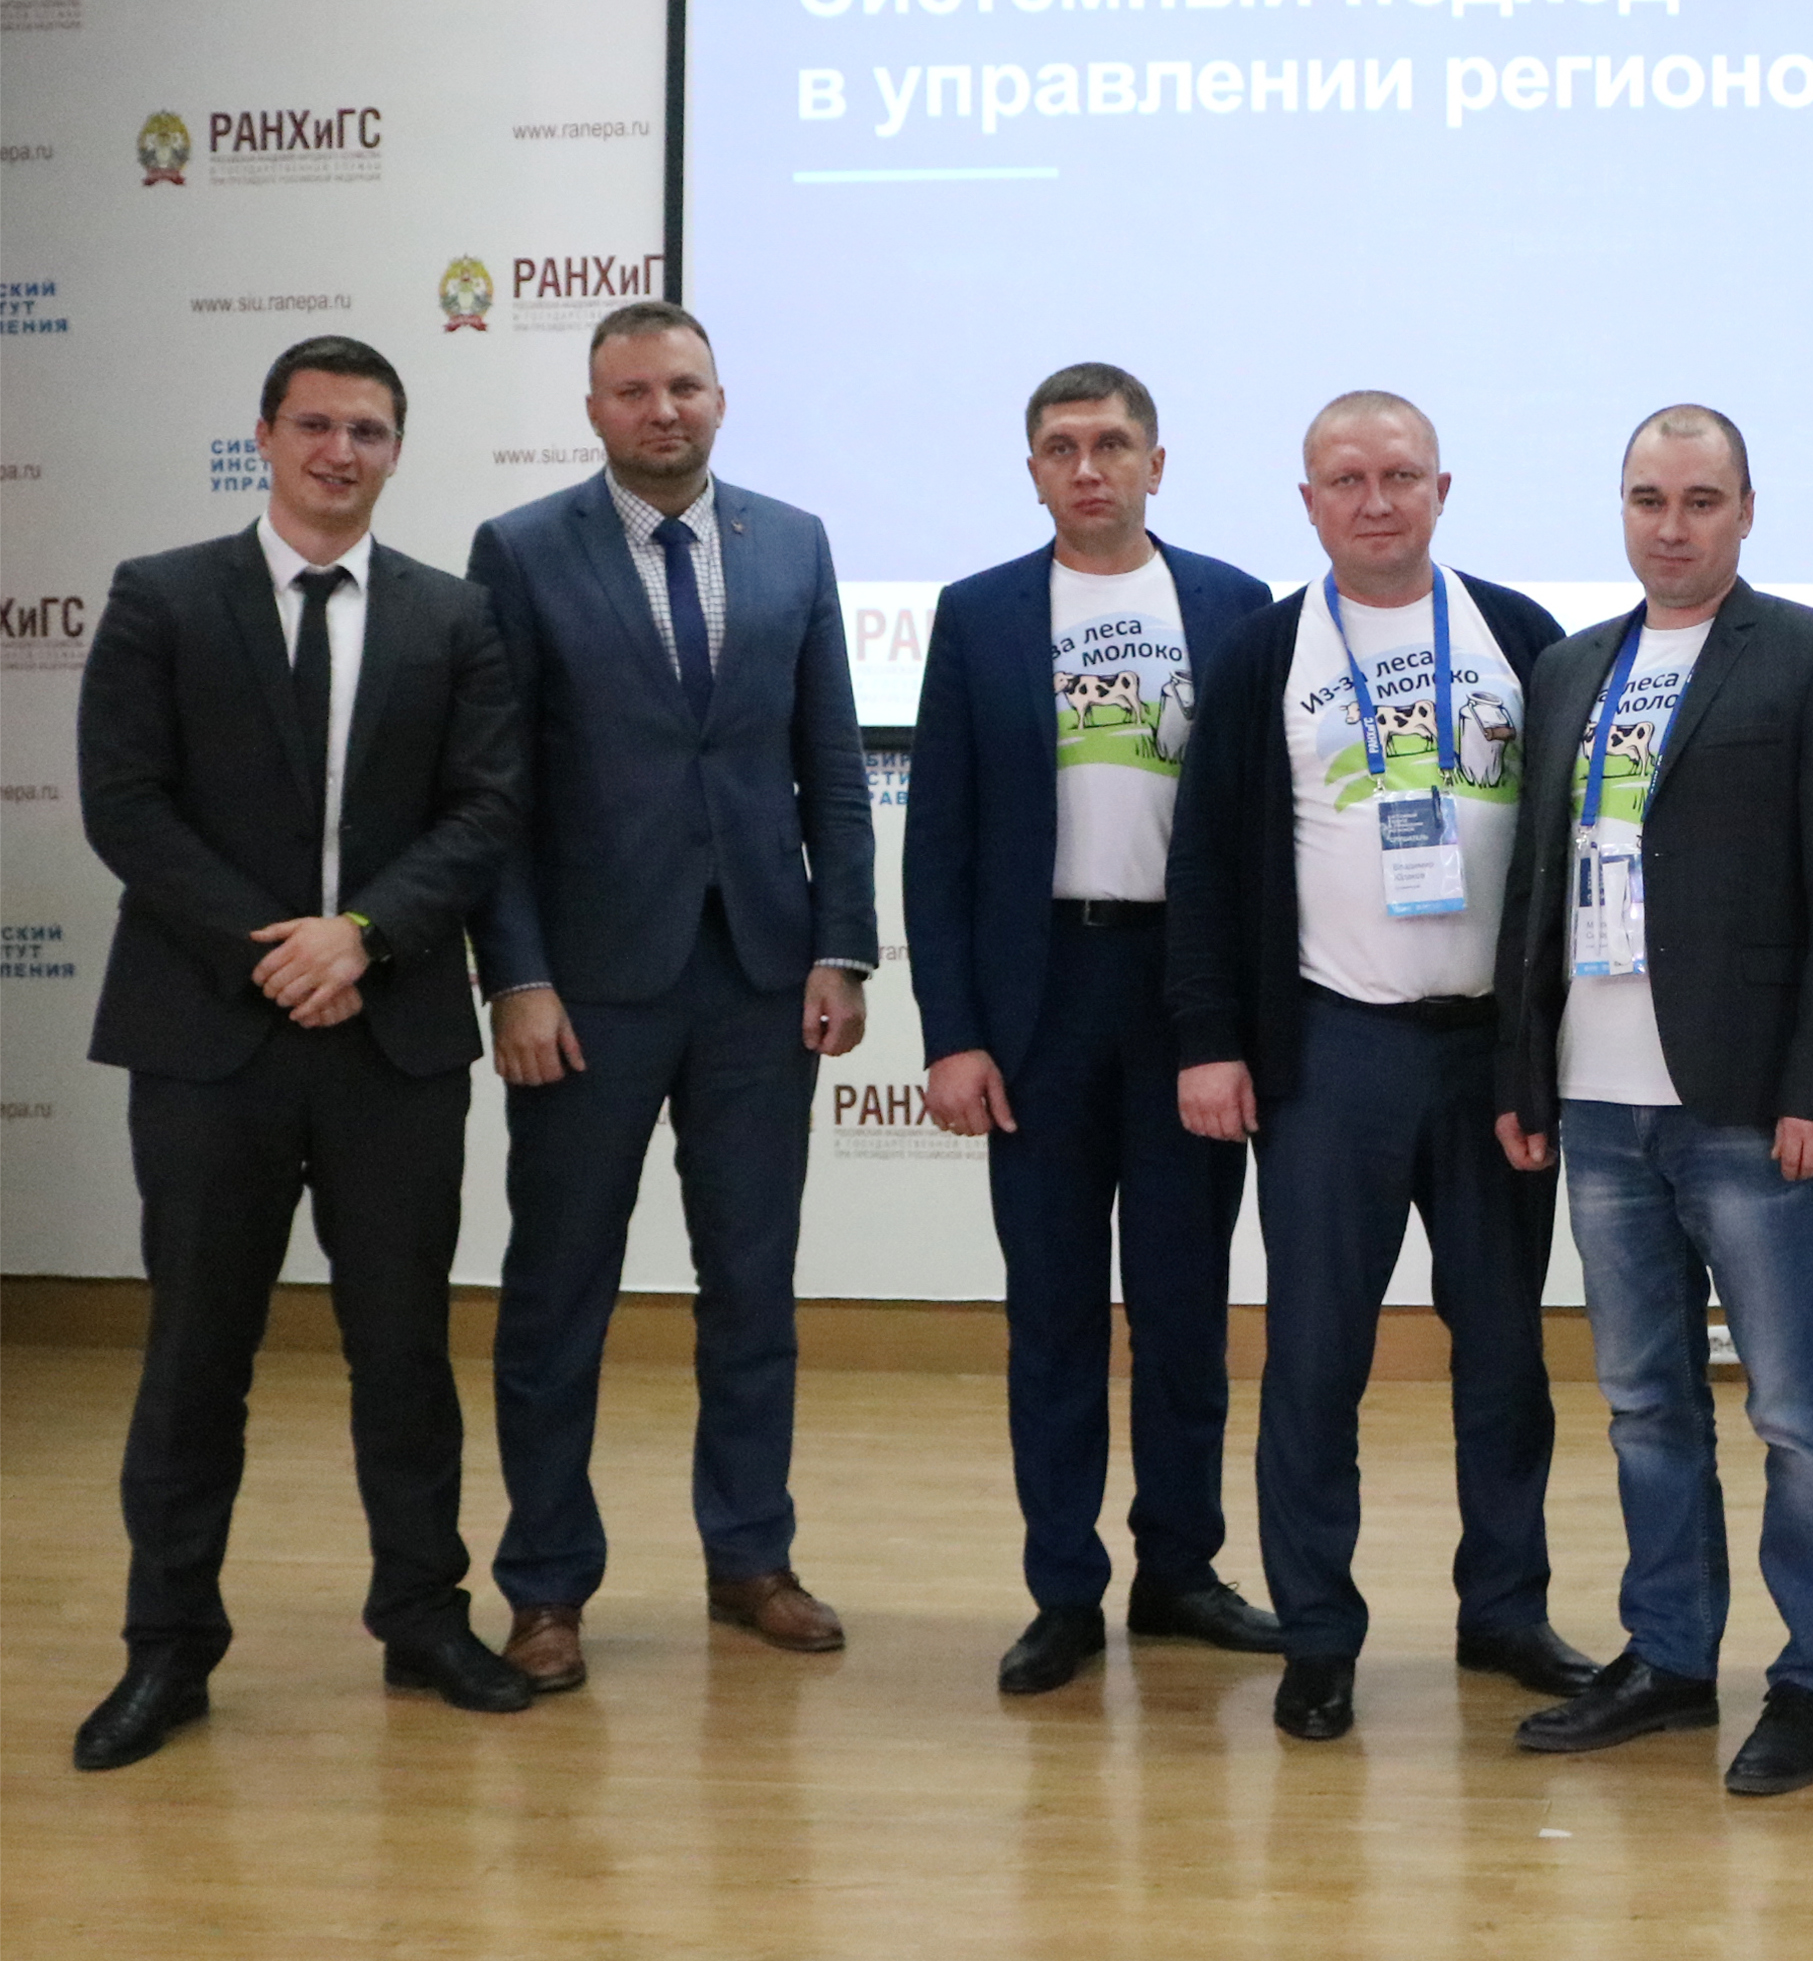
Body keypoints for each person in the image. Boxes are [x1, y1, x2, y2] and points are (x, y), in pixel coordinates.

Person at [70, 335, 533, 1770]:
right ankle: (167, 1647)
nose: (342, 452)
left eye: (370, 431)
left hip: (390, 1038)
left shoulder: (453, 616)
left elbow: (487, 806)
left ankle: (423, 1616)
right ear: (266, 435)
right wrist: (277, 949)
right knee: (196, 1353)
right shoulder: (162, 596)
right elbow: (125, 804)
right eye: (318, 425)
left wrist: (364, 938)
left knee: (403, 1350)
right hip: (209, 1036)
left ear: (397, 450)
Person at [1165, 391, 1593, 1741]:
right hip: (1330, 1050)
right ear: (1308, 504)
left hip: (1494, 1054)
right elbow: (1206, 864)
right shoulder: (1264, 652)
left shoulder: (1520, 635)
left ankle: (1505, 1608)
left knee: (1505, 1353)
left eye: (1400, 474)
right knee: (1314, 1360)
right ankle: (1318, 1634)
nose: (1375, 500)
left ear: (1442, 489)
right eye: (1345, 479)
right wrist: (1209, 1041)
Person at [468, 302, 877, 1689]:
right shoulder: (523, 550)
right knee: (558, 1294)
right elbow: (494, 795)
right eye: (634, 390)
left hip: (760, 978)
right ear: (594, 409)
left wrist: (842, 948)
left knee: (752, 1287)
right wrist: (518, 975)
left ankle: (751, 1556)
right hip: (586, 989)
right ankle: (545, 1585)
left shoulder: (793, 542)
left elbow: (832, 763)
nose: (664, 410)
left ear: (721, 397)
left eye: (685, 386)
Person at [1489, 405, 1813, 1796]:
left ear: (1746, 510)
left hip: (1748, 1107)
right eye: (1649, 499)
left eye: (1701, 500)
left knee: (1795, 1414)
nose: (1673, 525)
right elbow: (1539, 884)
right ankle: (1669, 1658)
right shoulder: (1570, 666)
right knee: (1644, 1404)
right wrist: (1524, 1071)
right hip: (1597, 1106)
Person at [907, 363, 1285, 1696]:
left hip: (1187, 998)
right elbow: (939, 841)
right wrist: (952, 1032)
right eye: (1062, 446)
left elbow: (1265, 836)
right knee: (1054, 1312)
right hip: (1041, 1002)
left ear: (1156, 464)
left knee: (1184, 1308)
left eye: (1113, 443)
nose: (1089, 466)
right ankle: (1063, 1589)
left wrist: (1244, 1018)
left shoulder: (1235, 606)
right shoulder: (979, 615)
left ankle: (1179, 1569)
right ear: (1033, 472)